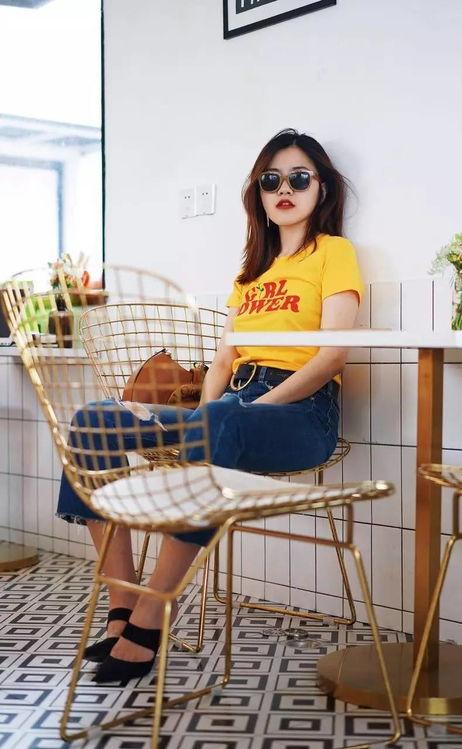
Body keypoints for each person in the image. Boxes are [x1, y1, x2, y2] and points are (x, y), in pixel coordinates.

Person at [56, 127, 364, 683]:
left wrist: (245, 410)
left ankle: (155, 612)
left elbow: (333, 355)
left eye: (299, 178)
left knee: (222, 417)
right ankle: (122, 604)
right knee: (93, 420)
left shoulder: (334, 253)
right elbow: (223, 362)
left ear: (323, 188)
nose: (284, 189)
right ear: (258, 194)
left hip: (304, 410)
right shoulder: (250, 275)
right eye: (271, 180)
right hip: (236, 402)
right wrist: (206, 415)